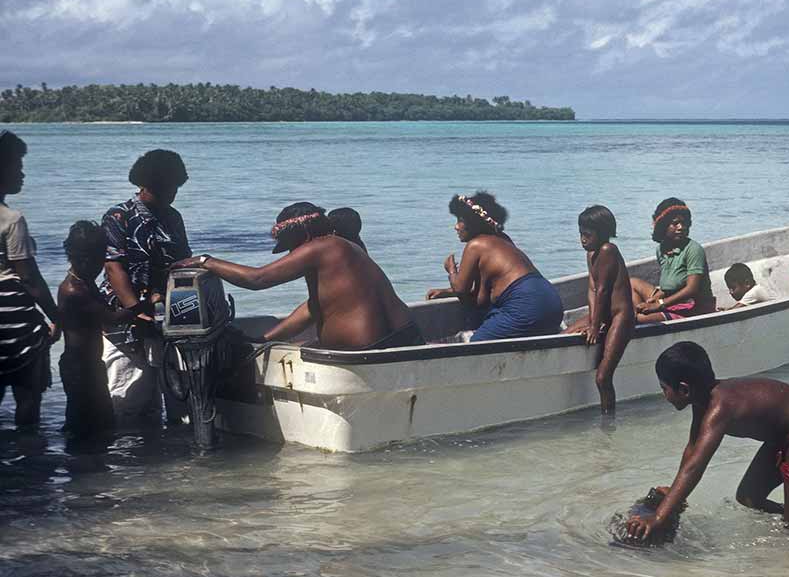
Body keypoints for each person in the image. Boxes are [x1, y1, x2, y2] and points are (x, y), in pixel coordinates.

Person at [625, 342, 789, 537]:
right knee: (749, 497)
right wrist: (675, 495)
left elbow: (696, 465)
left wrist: (660, 516)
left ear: (684, 389)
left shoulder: (720, 408)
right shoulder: (702, 401)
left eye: (664, 388)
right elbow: (693, 449)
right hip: (780, 437)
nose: (664, 395)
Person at [175, 202, 423, 350]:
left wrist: (206, 261)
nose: (293, 253)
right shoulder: (348, 248)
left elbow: (257, 279)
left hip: (366, 349)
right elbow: (314, 307)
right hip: (405, 339)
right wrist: (264, 339)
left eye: (291, 245)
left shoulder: (319, 247)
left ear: (304, 234)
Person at [99, 149, 191, 424]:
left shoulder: (173, 218)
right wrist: (134, 309)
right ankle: (129, 463)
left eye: (176, 187)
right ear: (148, 185)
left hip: (166, 317)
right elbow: (113, 266)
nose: (173, 193)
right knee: (128, 398)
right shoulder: (119, 217)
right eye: (169, 187)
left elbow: (183, 262)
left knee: (174, 395)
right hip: (124, 320)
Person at [426, 192, 563, 342]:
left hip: (526, 305)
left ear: (472, 223)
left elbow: (462, 289)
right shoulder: (503, 239)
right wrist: (447, 292)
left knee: (477, 344)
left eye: (460, 221)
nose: (456, 227)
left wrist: (451, 270)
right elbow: (483, 294)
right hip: (552, 302)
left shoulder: (475, 246)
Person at [58, 221, 151, 437]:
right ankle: (84, 464)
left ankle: (91, 462)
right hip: (80, 367)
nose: (102, 267)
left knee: (97, 421)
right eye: (100, 261)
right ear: (85, 259)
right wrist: (145, 303)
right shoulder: (75, 290)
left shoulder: (83, 282)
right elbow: (112, 319)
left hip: (88, 363)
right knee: (86, 424)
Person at [0, 130, 60, 428]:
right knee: (28, 399)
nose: (22, 173)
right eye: (16, 166)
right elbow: (29, 279)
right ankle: (30, 463)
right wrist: (56, 317)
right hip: (15, 323)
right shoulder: (12, 220)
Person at [562, 205, 634, 414]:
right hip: (604, 316)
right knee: (564, 334)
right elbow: (592, 290)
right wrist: (594, 319)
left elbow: (602, 291)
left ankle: (608, 423)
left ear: (602, 234)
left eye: (588, 235)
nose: (583, 239)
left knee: (603, 377)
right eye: (581, 234)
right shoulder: (591, 255)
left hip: (621, 317)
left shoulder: (607, 250)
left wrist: (594, 327)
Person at [629, 198, 715, 322]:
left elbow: (692, 289)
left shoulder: (694, 249)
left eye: (684, 223)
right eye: (675, 223)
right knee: (632, 283)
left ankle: (640, 320)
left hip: (694, 307)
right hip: (670, 302)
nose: (681, 227)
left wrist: (660, 304)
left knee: (641, 318)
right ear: (663, 227)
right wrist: (653, 300)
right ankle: (637, 317)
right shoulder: (661, 250)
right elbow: (669, 285)